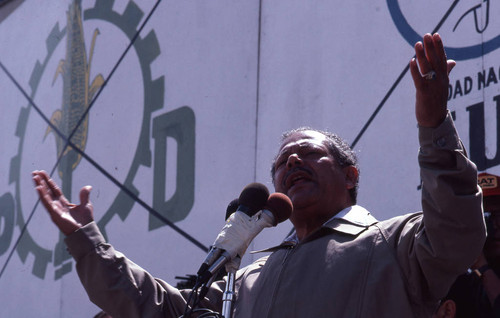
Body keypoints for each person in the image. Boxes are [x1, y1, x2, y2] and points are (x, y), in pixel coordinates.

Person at [33, 33, 486, 317]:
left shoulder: (394, 243)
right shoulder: (246, 279)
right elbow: (160, 309)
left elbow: (457, 233)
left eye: (307, 154)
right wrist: (87, 242)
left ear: (350, 176)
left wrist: (433, 125)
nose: (291, 163)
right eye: (282, 163)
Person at [442, 172, 500, 318]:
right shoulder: (464, 283)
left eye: (498, 216)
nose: (494, 226)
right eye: (484, 219)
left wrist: (482, 267)